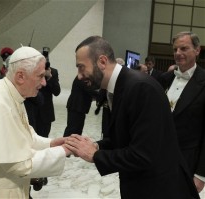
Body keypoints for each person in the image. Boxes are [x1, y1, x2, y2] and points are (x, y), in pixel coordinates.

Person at [65, 36, 200, 199]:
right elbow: (125, 137)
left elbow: (143, 154)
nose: (79, 76)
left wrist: (95, 155)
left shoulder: (140, 88)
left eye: (81, 67)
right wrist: (96, 146)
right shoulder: (119, 86)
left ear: (102, 61)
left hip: (159, 189)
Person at [0, 46, 71, 198]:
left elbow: (24, 134)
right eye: (40, 76)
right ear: (21, 76)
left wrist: (51, 143)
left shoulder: (11, 93)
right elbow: (19, 164)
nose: (44, 83)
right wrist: (63, 151)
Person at [159, 31, 205, 193]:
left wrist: (201, 175)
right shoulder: (166, 78)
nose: (178, 53)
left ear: (197, 50)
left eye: (184, 48)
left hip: (187, 162)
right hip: (157, 158)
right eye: (175, 49)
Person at [36, 49, 61, 138]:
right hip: (33, 111)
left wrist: (49, 77)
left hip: (46, 113)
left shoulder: (53, 72)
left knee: (44, 139)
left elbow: (57, 92)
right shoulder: (33, 70)